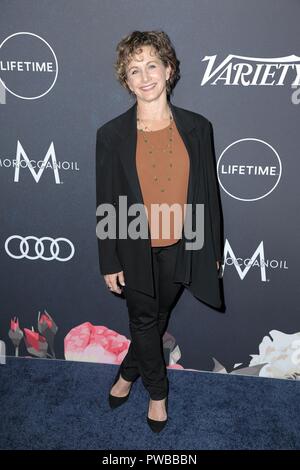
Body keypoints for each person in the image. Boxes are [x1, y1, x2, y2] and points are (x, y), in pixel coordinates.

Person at [95, 30, 224, 433]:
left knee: (153, 319)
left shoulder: (198, 128)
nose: (145, 76)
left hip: (182, 245)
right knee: (143, 320)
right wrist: (109, 258)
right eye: (134, 70)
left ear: (168, 70)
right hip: (134, 248)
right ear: (127, 81)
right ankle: (157, 392)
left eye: (152, 65)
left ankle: (126, 373)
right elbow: (106, 200)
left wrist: (212, 247)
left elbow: (208, 194)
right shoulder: (111, 135)